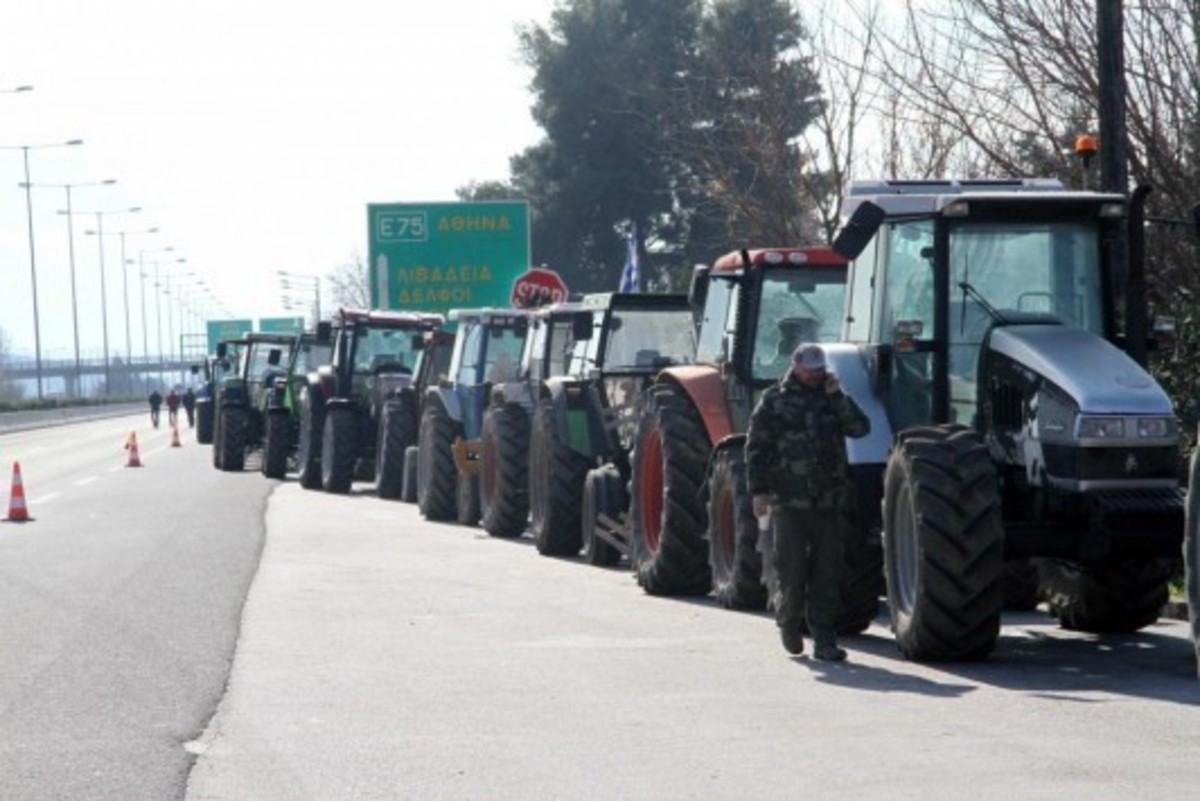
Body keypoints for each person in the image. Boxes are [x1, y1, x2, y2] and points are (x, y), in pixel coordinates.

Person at [746, 343, 870, 662]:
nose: (816, 374)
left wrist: (837, 396)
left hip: (828, 501)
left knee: (827, 574)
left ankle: (824, 641)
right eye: (810, 368)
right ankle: (788, 621)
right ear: (796, 365)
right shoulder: (774, 400)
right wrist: (758, 491)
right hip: (789, 501)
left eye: (819, 368)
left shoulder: (830, 398)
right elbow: (756, 448)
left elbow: (860, 429)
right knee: (792, 572)